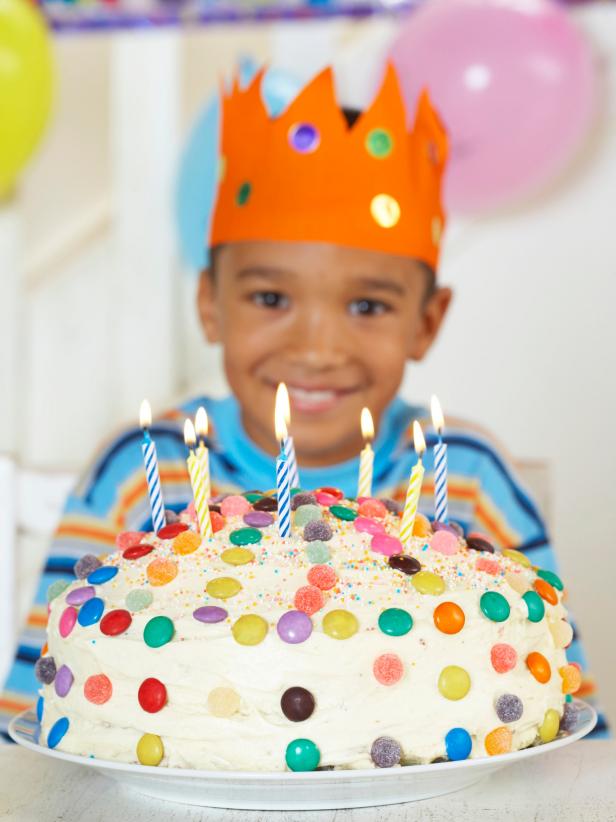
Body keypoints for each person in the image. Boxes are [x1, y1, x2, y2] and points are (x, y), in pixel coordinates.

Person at [0, 65, 604, 739]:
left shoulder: (468, 476)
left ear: (428, 322)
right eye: (271, 299)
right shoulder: (137, 471)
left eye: (367, 305)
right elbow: (35, 714)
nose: (318, 348)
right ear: (209, 305)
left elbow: (562, 713)